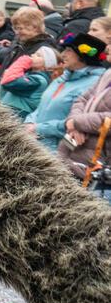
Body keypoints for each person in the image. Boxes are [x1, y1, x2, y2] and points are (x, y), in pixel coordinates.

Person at [24, 32, 106, 150]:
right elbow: (41, 108)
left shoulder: (94, 84)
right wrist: (29, 123)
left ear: (82, 57)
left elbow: (79, 122)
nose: (63, 54)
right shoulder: (62, 78)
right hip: (37, 143)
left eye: (69, 51)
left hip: (58, 151)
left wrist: (38, 128)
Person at [57, 17, 111, 181]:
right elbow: (82, 99)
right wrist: (72, 124)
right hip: (73, 147)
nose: (107, 47)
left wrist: (78, 123)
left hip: (95, 163)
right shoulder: (107, 74)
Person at [0, 46, 58, 120]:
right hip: (6, 111)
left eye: (38, 55)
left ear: (46, 66)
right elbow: (6, 88)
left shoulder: (38, 80)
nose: (32, 55)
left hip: (13, 116)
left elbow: (10, 82)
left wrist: (22, 62)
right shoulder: (30, 75)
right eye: (34, 53)